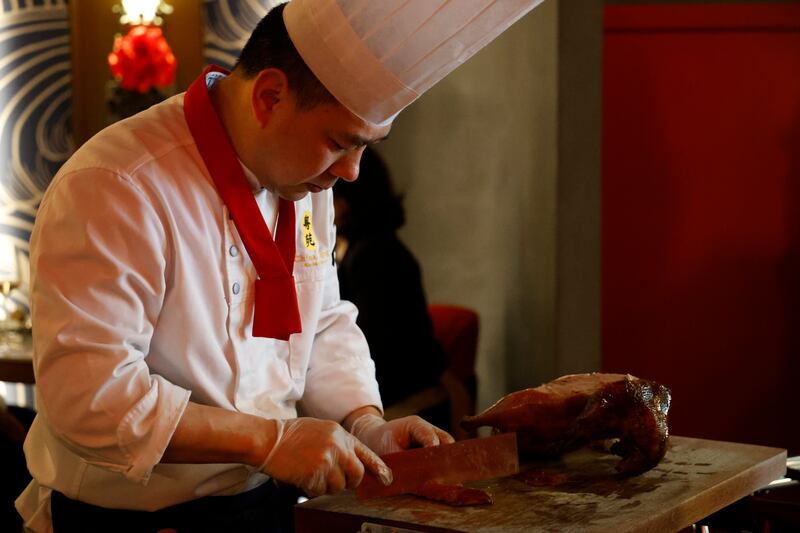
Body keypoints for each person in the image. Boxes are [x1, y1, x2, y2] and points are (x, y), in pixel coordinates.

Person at [16, 1, 543, 531]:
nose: (352, 172)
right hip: (134, 521)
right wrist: (270, 440)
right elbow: (91, 399)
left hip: (262, 507)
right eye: (340, 142)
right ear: (270, 96)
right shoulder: (117, 185)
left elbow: (321, 319)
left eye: (365, 147)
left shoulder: (305, 182)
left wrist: (364, 422)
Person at [334, 148, 448, 422]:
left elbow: (369, 345)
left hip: (408, 406)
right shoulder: (352, 249)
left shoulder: (376, 255)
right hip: (389, 396)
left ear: (350, 199)